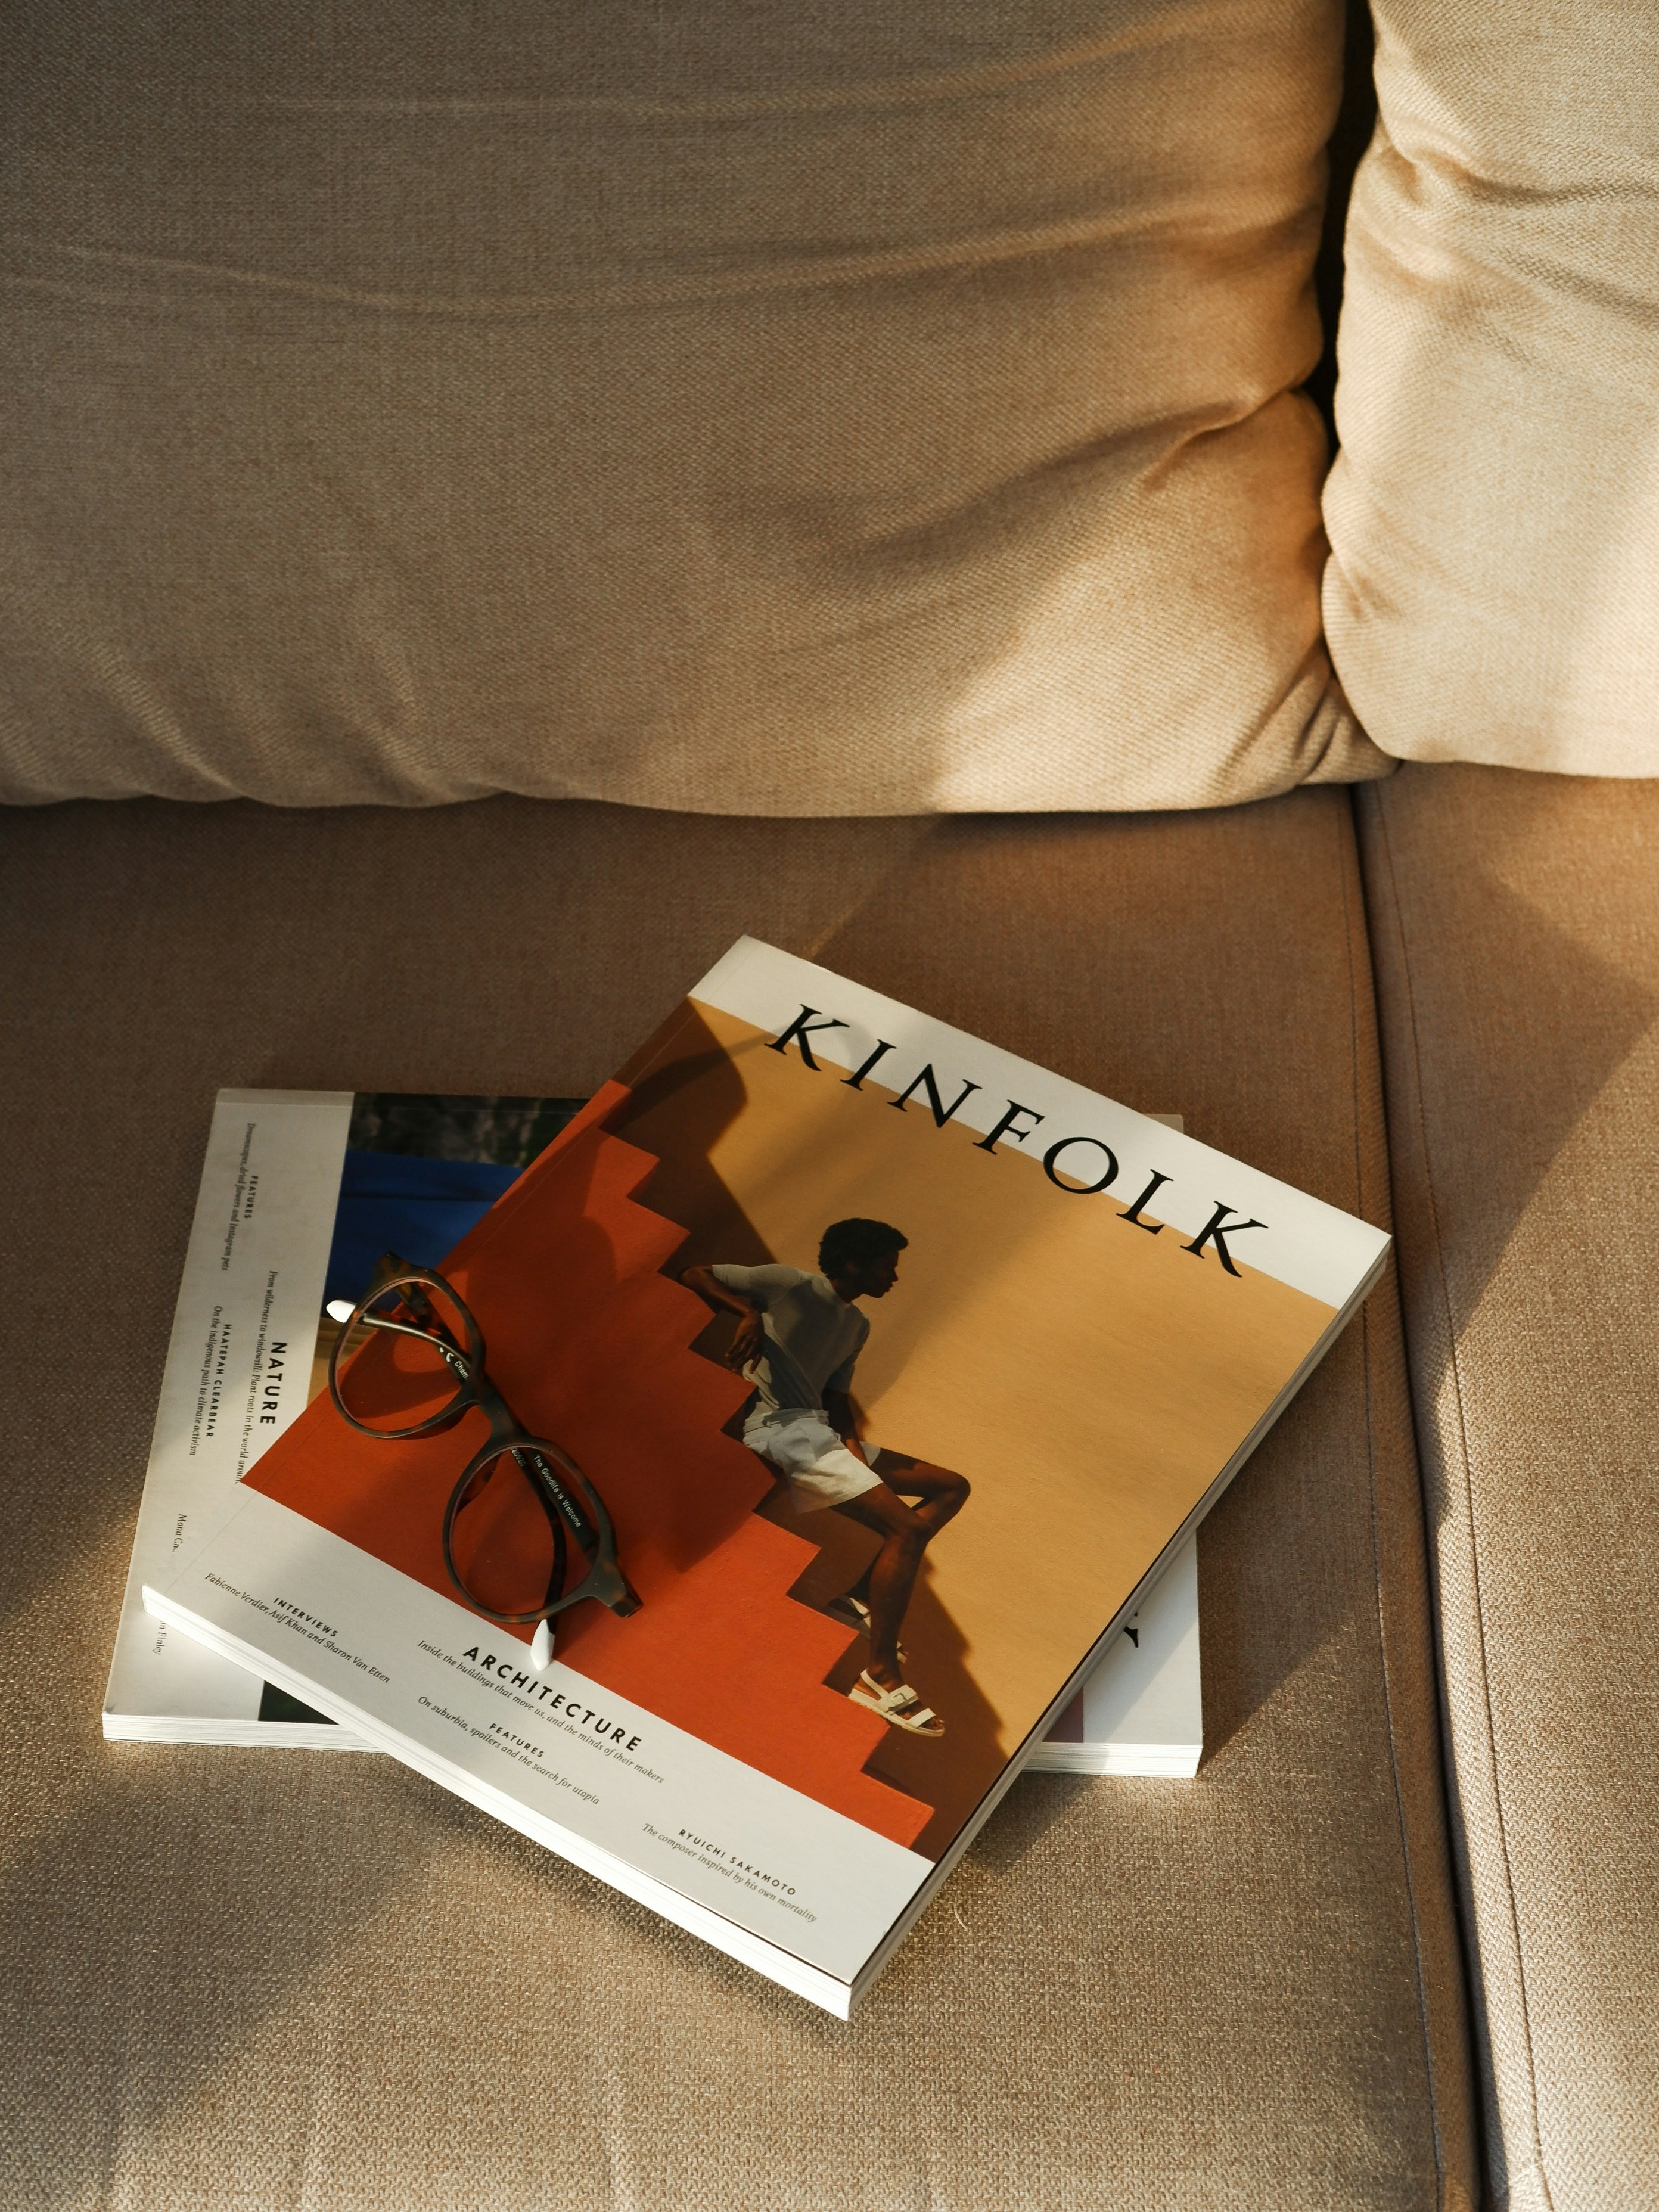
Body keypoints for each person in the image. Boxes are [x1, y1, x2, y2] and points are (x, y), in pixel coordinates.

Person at [681, 1218, 968, 1738]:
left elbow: (836, 1402)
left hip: (820, 1429)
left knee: (951, 1486)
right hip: (777, 1431)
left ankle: (857, 1601)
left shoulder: (857, 1325)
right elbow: (695, 1273)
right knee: (907, 1529)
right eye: (887, 1267)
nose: (894, 1278)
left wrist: (854, 1454)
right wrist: (748, 1312)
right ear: (854, 1262)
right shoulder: (787, 1283)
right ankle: (879, 1676)